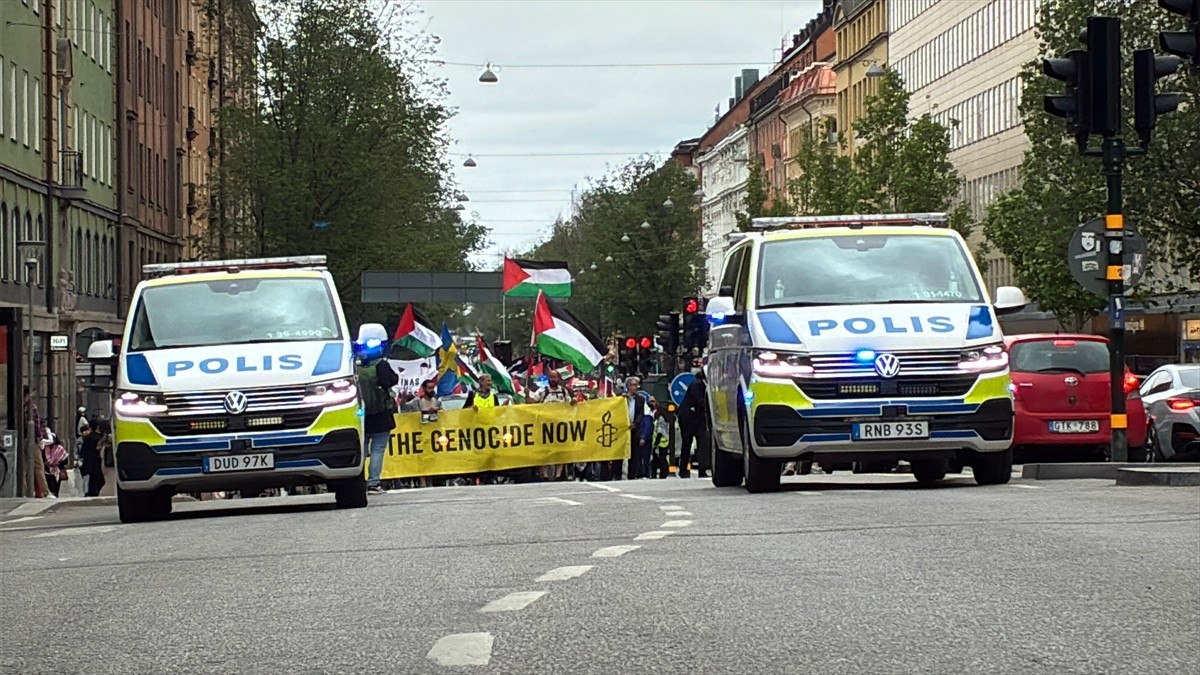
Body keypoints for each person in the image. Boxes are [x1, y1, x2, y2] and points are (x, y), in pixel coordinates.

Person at [357, 330, 400, 496]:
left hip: (361, 415)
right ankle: (374, 483)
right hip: (381, 414)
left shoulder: (356, 366)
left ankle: (358, 481)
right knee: (378, 449)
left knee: (361, 449)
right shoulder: (382, 365)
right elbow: (390, 381)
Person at [531, 369, 575, 481]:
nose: (552, 379)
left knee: (561, 450)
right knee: (544, 450)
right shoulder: (543, 391)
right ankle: (545, 475)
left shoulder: (564, 392)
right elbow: (531, 403)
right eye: (551, 377)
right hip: (545, 426)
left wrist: (574, 402)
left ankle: (559, 475)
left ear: (559, 379)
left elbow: (570, 405)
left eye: (555, 377)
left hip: (560, 426)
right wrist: (527, 394)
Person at [677, 369, 709, 479]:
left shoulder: (703, 385)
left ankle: (702, 469)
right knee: (687, 443)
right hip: (688, 418)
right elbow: (701, 401)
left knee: (702, 443)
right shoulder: (697, 385)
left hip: (698, 418)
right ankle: (683, 469)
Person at [622, 377, 651, 480]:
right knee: (621, 451)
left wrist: (635, 423)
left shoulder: (640, 399)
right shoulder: (622, 398)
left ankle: (633, 474)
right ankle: (617, 473)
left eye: (636, 385)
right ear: (628, 386)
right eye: (633, 385)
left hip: (635, 429)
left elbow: (640, 414)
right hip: (623, 429)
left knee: (635, 453)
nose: (635, 387)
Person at [78, 418, 106, 497]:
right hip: (97, 462)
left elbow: (83, 451)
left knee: (91, 480)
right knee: (98, 479)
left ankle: (90, 492)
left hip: (89, 462)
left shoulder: (87, 438)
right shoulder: (100, 438)